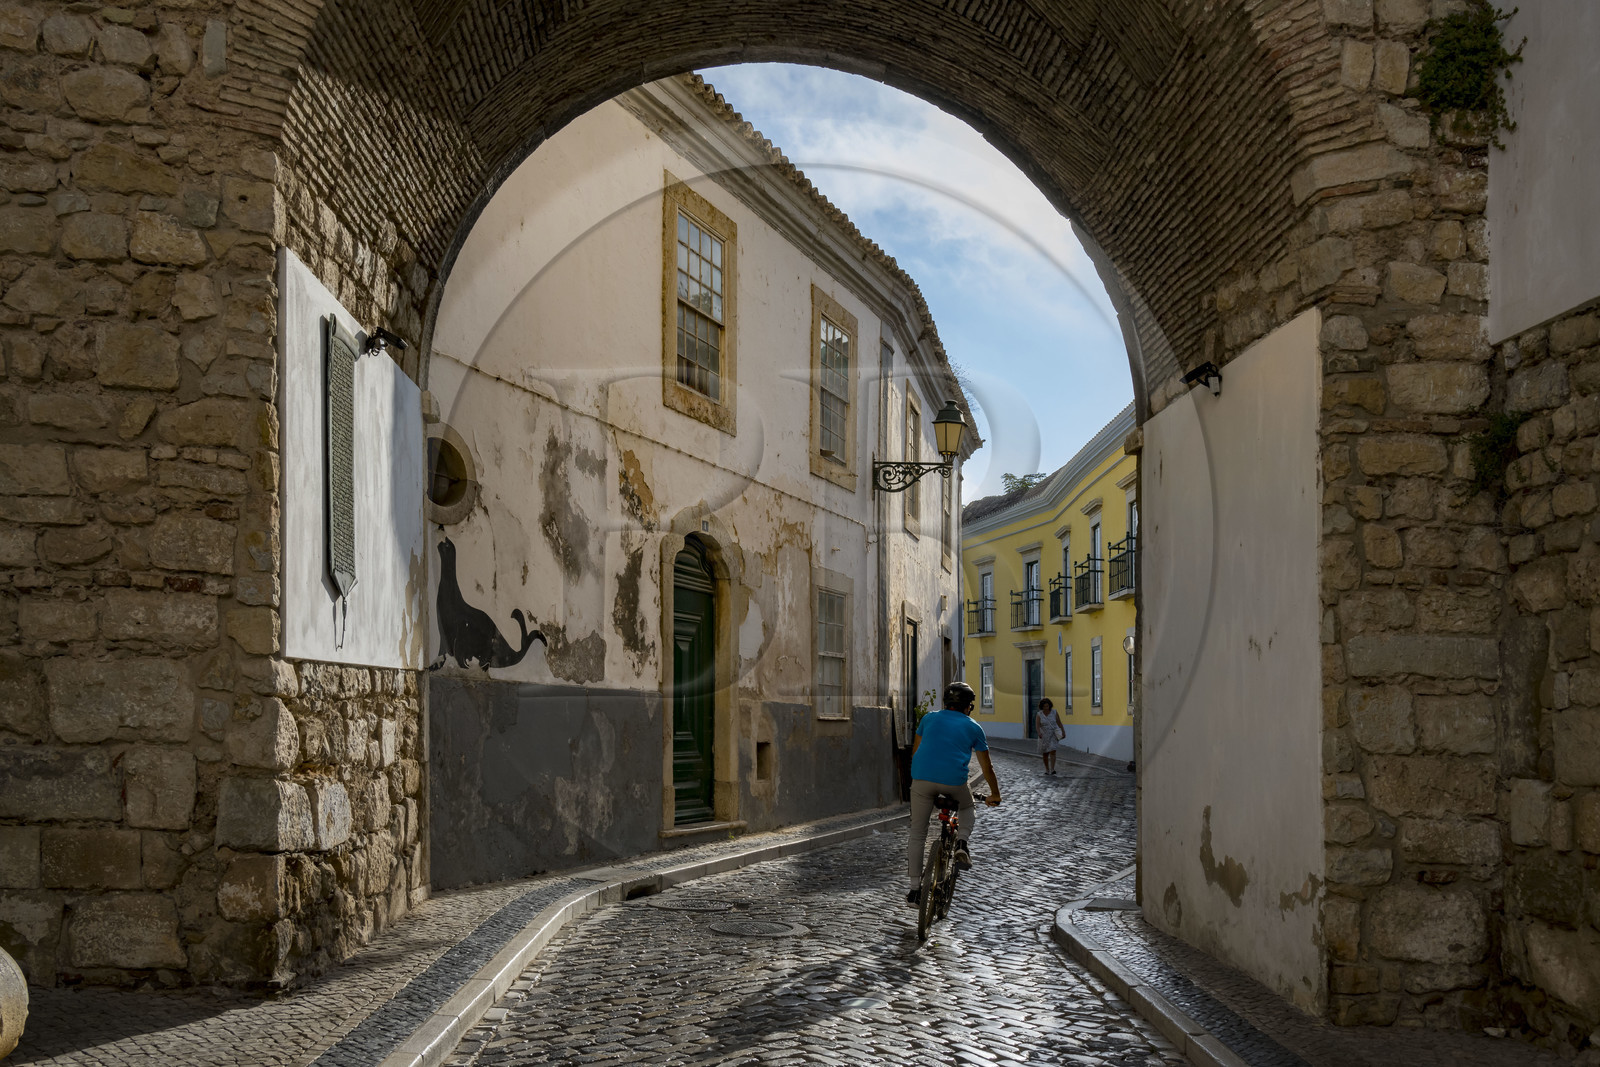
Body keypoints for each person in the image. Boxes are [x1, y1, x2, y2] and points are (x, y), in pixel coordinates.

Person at [905, 681, 1001, 906]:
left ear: (946, 703)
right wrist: (994, 794)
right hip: (954, 782)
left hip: (921, 779)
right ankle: (962, 845)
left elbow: (916, 750)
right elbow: (987, 768)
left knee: (917, 833)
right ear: (969, 706)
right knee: (967, 806)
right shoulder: (974, 727)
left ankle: (914, 891)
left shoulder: (928, 719)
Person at [1035, 697, 1064, 775]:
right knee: (1045, 753)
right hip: (1043, 735)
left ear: (1050, 705)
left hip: (1053, 734)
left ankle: (1052, 769)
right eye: (1044, 706)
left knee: (1053, 751)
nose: (1046, 708)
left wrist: (1063, 732)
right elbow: (1037, 726)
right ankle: (1047, 769)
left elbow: (1059, 723)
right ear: (1042, 707)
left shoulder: (1054, 712)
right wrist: (1039, 733)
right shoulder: (1039, 714)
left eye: (1047, 706)